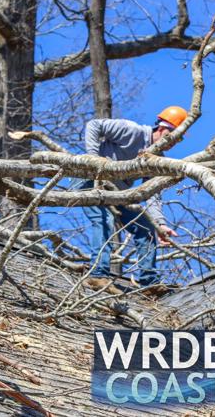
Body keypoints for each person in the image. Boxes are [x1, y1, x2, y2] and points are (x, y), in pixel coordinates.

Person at [80, 106, 187, 294]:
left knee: (145, 228)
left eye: (179, 140)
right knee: (104, 219)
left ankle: (149, 283)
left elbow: (151, 193)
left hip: (118, 193)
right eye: (173, 137)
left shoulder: (156, 160)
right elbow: (94, 125)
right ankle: (98, 275)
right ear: (162, 129)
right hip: (90, 180)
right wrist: (93, 158)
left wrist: (160, 224)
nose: (173, 143)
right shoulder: (132, 131)